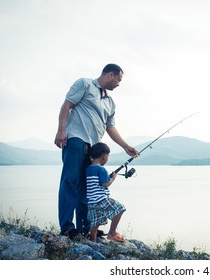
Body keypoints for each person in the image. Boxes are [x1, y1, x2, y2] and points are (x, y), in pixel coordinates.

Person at [54, 63, 138, 239]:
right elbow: (66, 105)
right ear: (110, 75)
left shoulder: (110, 102)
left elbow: (110, 128)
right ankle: (67, 227)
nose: (118, 84)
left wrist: (125, 146)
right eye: (118, 79)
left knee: (87, 188)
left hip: (93, 148)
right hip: (76, 139)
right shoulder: (84, 84)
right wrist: (61, 130)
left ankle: (86, 227)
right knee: (70, 181)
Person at [87, 142, 126, 242]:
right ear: (104, 156)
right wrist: (113, 178)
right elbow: (105, 184)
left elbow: (97, 182)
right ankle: (112, 232)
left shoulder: (88, 169)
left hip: (91, 202)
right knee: (120, 208)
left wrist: (107, 178)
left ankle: (93, 242)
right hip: (101, 199)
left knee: (95, 224)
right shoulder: (101, 169)